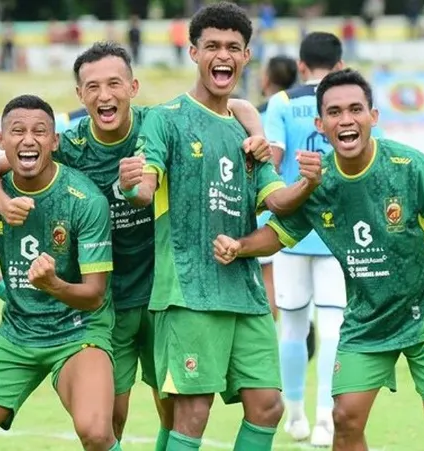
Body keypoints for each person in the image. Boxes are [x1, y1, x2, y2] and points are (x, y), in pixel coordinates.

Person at [0, 40, 271, 450]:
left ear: (134, 87)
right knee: (111, 418)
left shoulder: (159, 125)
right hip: (107, 299)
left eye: (114, 84)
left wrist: (258, 130)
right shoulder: (69, 144)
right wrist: (3, 204)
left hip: (166, 293)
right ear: (80, 95)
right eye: (92, 87)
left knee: (173, 405)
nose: (104, 95)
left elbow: (233, 107)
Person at [220, 68, 424, 451]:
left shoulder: (408, 166)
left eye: (356, 109)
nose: (346, 120)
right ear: (321, 124)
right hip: (367, 320)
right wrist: (240, 246)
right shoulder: (317, 181)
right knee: (345, 419)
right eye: (335, 113)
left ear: (373, 117)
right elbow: (278, 233)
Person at [117, 3, 322, 450]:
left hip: (245, 293)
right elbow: (145, 189)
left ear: (247, 56)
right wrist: (132, 186)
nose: (222, 55)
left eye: (233, 47)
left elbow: (277, 201)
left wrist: (307, 183)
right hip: (189, 290)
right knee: (192, 412)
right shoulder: (165, 118)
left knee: (268, 405)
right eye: (212, 45)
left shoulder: (249, 136)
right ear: (193, 52)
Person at [0, 94, 120, 451]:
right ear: (0, 140)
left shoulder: (84, 201)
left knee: (97, 433)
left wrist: (53, 284)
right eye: (17, 131)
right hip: (18, 332)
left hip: (78, 331)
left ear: (54, 141)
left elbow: (95, 295)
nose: (28, 139)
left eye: (40, 131)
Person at [263, 32, 385, 445]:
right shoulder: (354, 104)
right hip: (341, 235)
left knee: (293, 328)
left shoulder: (281, 103)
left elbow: (271, 163)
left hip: (292, 231)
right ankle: (324, 420)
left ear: (301, 65)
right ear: (338, 65)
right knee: (333, 327)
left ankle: (293, 415)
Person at [254, 55, 298, 320]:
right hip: (300, 207)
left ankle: (272, 337)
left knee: (267, 277)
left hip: (268, 206)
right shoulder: (307, 109)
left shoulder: (255, 114)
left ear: (267, 79)